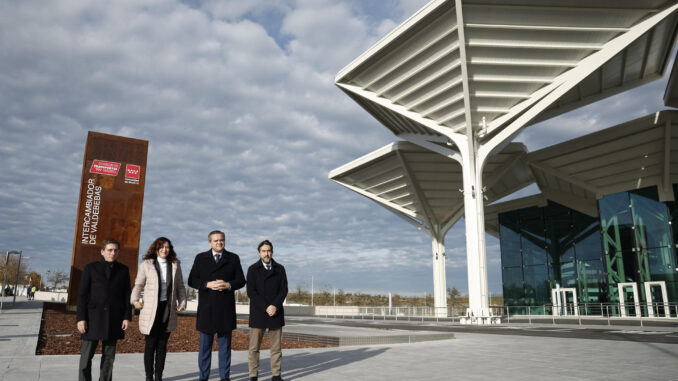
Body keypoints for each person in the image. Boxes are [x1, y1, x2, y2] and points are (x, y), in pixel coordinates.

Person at [188, 230, 246, 381]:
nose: (219, 242)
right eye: (216, 240)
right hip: (207, 309)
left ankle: (224, 377)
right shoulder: (200, 258)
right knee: (205, 348)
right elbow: (192, 280)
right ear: (209, 242)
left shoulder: (233, 258)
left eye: (222, 240)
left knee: (225, 348)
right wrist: (207, 284)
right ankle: (203, 377)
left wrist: (228, 285)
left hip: (225, 309)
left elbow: (241, 280)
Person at [131, 237, 187, 381]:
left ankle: (158, 377)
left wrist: (182, 302)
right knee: (150, 345)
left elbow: (180, 286)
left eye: (167, 247)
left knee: (162, 345)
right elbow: (138, 284)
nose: (164, 250)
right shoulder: (147, 265)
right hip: (150, 310)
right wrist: (135, 300)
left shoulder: (175, 264)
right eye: (161, 247)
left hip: (167, 309)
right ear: (156, 248)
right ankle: (149, 377)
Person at [76, 238, 132, 381]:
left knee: (109, 359)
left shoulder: (123, 270)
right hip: (92, 318)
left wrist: (127, 316)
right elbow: (82, 295)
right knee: (86, 358)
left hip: (114, 318)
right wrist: (81, 318)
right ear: (102, 251)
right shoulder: (90, 268)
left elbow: (127, 295)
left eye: (115, 250)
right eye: (109, 250)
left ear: (118, 252)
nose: (112, 253)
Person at [247, 240, 288, 381]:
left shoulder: (280, 269)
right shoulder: (252, 269)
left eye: (269, 250)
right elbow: (251, 292)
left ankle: (276, 375)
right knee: (254, 348)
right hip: (259, 313)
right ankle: (253, 375)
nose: (266, 253)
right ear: (259, 253)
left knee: (276, 349)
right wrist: (266, 306)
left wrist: (275, 305)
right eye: (264, 251)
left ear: (272, 252)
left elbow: (284, 290)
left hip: (275, 313)